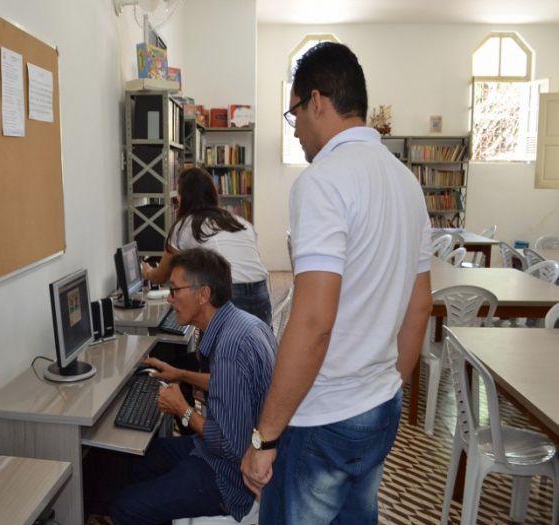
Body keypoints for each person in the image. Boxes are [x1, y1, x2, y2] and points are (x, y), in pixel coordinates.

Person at [240, 41, 433, 524]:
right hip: (380, 404)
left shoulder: (322, 182)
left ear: (317, 101)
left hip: (323, 418)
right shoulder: (407, 183)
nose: (296, 130)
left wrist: (265, 437)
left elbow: (313, 322)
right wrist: (387, 385)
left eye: (294, 114)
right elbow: (420, 307)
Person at [111, 248, 276, 525]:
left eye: (175, 290)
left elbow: (232, 445)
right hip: (220, 452)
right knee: (136, 463)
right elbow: (231, 383)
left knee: (125, 509)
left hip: (229, 477)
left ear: (203, 295)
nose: (169, 298)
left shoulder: (229, 349)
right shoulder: (243, 324)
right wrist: (180, 374)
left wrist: (183, 409)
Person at [142, 167, 272, 325]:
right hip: (261, 292)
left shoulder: (184, 227)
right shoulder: (240, 222)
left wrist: (147, 272)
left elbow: (161, 275)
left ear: (184, 198)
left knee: (213, 337)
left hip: (228, 294)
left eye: (178, 196)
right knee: (257, 339)